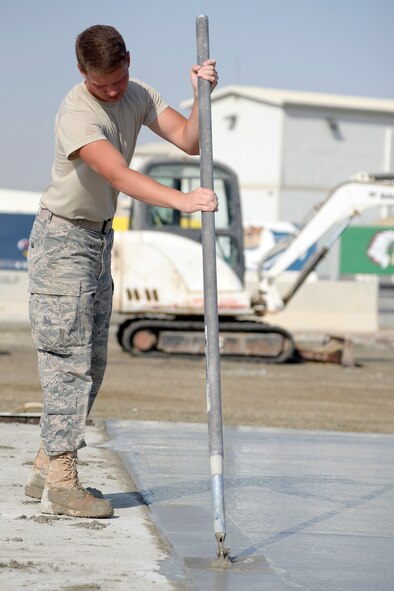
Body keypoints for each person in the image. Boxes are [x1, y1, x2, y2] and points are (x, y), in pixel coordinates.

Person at [24, 24, 219, 519]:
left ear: (128, 60)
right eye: (100, 83)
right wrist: (181, 200)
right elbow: (117, 173)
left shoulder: (139, 94)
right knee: (66, 358)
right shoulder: (76, 113)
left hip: (98, 237)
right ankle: (64, 481)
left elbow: (190, 140)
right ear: (80, 72)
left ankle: (48, 459)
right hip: (62, 239)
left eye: (118, 78)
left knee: (93, 361)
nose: (111, 91)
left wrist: (200, 94)